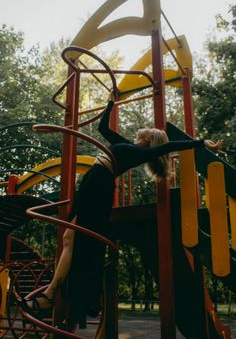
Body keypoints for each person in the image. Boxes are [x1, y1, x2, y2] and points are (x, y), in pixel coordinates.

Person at [19, 92, 223, 327]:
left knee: (74, 238)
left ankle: (49, 297)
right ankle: (51, 296)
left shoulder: (138, 152)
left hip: (99, 188)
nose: (145, 128)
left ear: (149, 139)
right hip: (89, 184)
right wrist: (110, 102)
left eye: (149, 129)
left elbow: (171, 146)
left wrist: (200, 142)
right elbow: (102, 128)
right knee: (68, 237)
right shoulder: (124, 144)